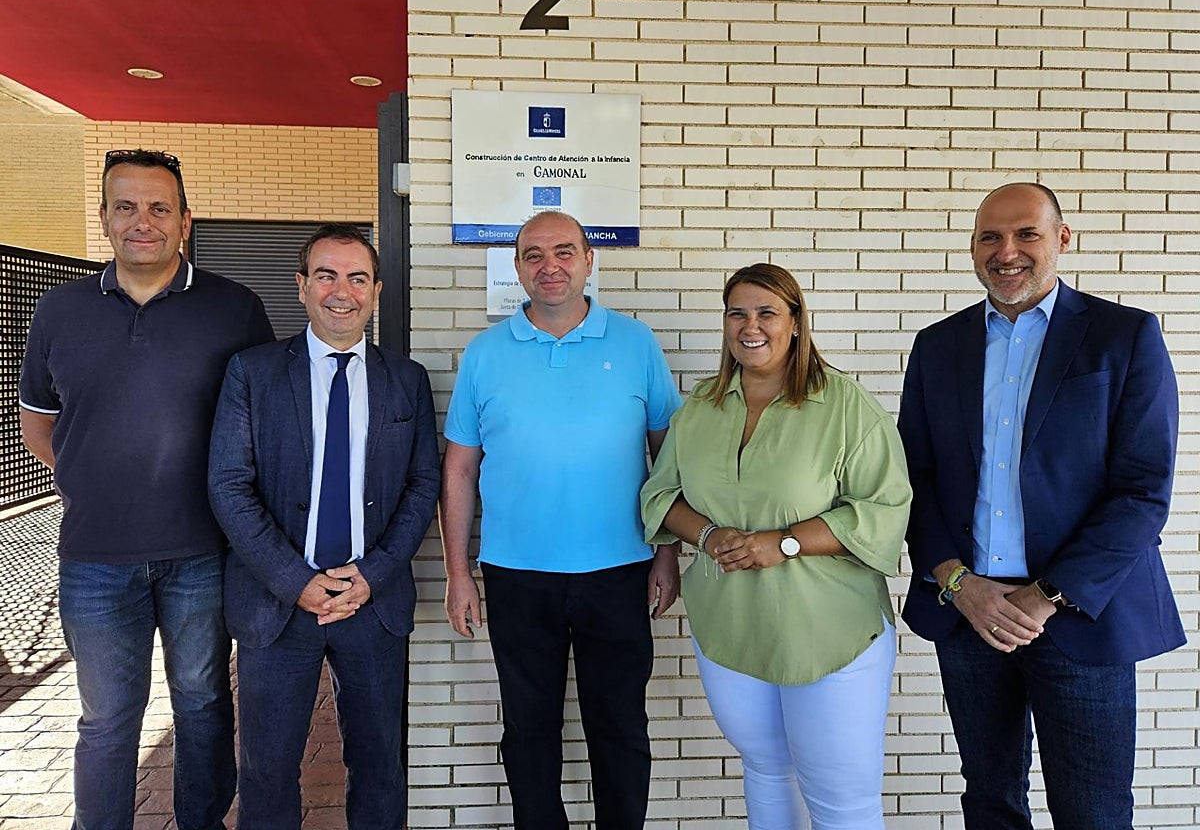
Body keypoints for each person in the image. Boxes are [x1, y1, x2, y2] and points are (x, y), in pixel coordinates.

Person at [898, 182, 1184, 829]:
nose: (1007, 251)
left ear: (1061, 239)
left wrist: (1046, 595)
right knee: (990, 800)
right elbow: (915, 480)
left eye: (1026, 233)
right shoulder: (939, 346)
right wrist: (957, 582)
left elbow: (1143, 491)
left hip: (1081, 617)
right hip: (971, 617)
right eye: (989, 237)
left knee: (1094, 811)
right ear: (972, 247)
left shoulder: (1123, 337)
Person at [17, 149, 274, 830]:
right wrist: (87, 484)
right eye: (125, 206)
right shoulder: (58, 311)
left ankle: (201, 822)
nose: (143, 222)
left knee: (202, 702)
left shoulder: (236, 309)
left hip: (202, 553)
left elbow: (261, 429)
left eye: (160, 208)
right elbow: (38, 425)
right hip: (95, 557)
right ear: (103, 217)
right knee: (106, 718)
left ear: (185, 221)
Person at [640, 263, 911, 830]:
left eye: (767, 312)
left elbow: (883, 508)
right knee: (765, 769)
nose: (750, 326)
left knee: (842, 801)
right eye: (737, 313)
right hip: (731, 625)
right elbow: (662, 493)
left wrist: (780, 543)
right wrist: (710, 536)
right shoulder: (703, 406)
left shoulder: (845, 406)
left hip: (828, 631)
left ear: (795, 322)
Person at [439, 210, 683, 830]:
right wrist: (458, 573)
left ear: (589, 260)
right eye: (534, 254)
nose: (551, 266)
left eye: (565, 251)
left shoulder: (636, 344)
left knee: (620, 726)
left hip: (620, 570)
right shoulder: (485, 354)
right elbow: (460, 470)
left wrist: (666, 554)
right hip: (517, 574)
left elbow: (669, 461)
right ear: (517, 266)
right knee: (527, 727)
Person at [207, 224, 439, 829]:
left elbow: (422, 487)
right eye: (327, 275)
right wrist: (297, 581)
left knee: (380, 765)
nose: (343, 291)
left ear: (377, 290)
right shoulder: (251, 374)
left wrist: (372, 574)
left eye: (357, 277)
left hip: (373, 603)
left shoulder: (407, 379)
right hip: (278, 605)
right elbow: (229, 486)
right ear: (302, 287)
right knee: (266, 770)